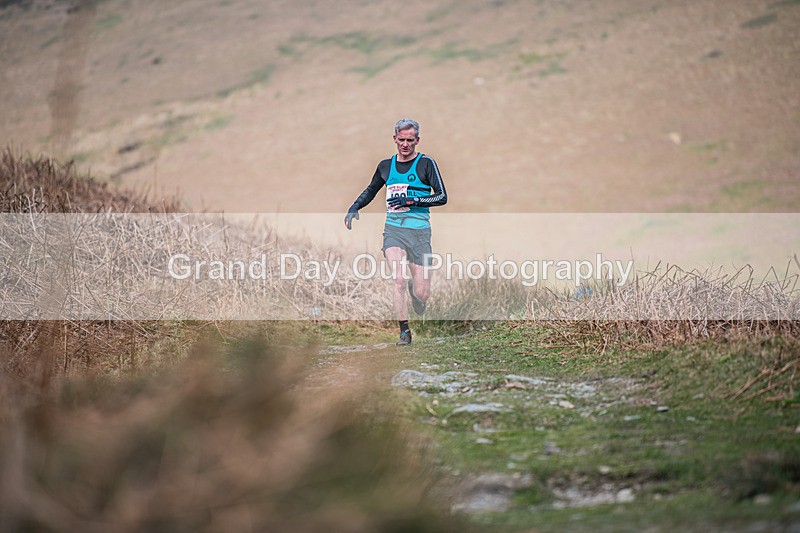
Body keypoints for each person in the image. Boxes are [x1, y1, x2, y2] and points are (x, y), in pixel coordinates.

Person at [344, 118, 448, 346]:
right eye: (401, 140)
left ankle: (415, 290)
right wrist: (355, 206)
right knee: (398, 279)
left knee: (422, 294)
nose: (405, 144)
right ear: (394, 139)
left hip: (420, 234)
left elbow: (442, 197)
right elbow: (371, 190)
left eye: (410, 140)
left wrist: (412, 199)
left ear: (417, 140)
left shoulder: (426, 164)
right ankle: (404, 332)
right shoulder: (385, 166)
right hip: (394, 231)